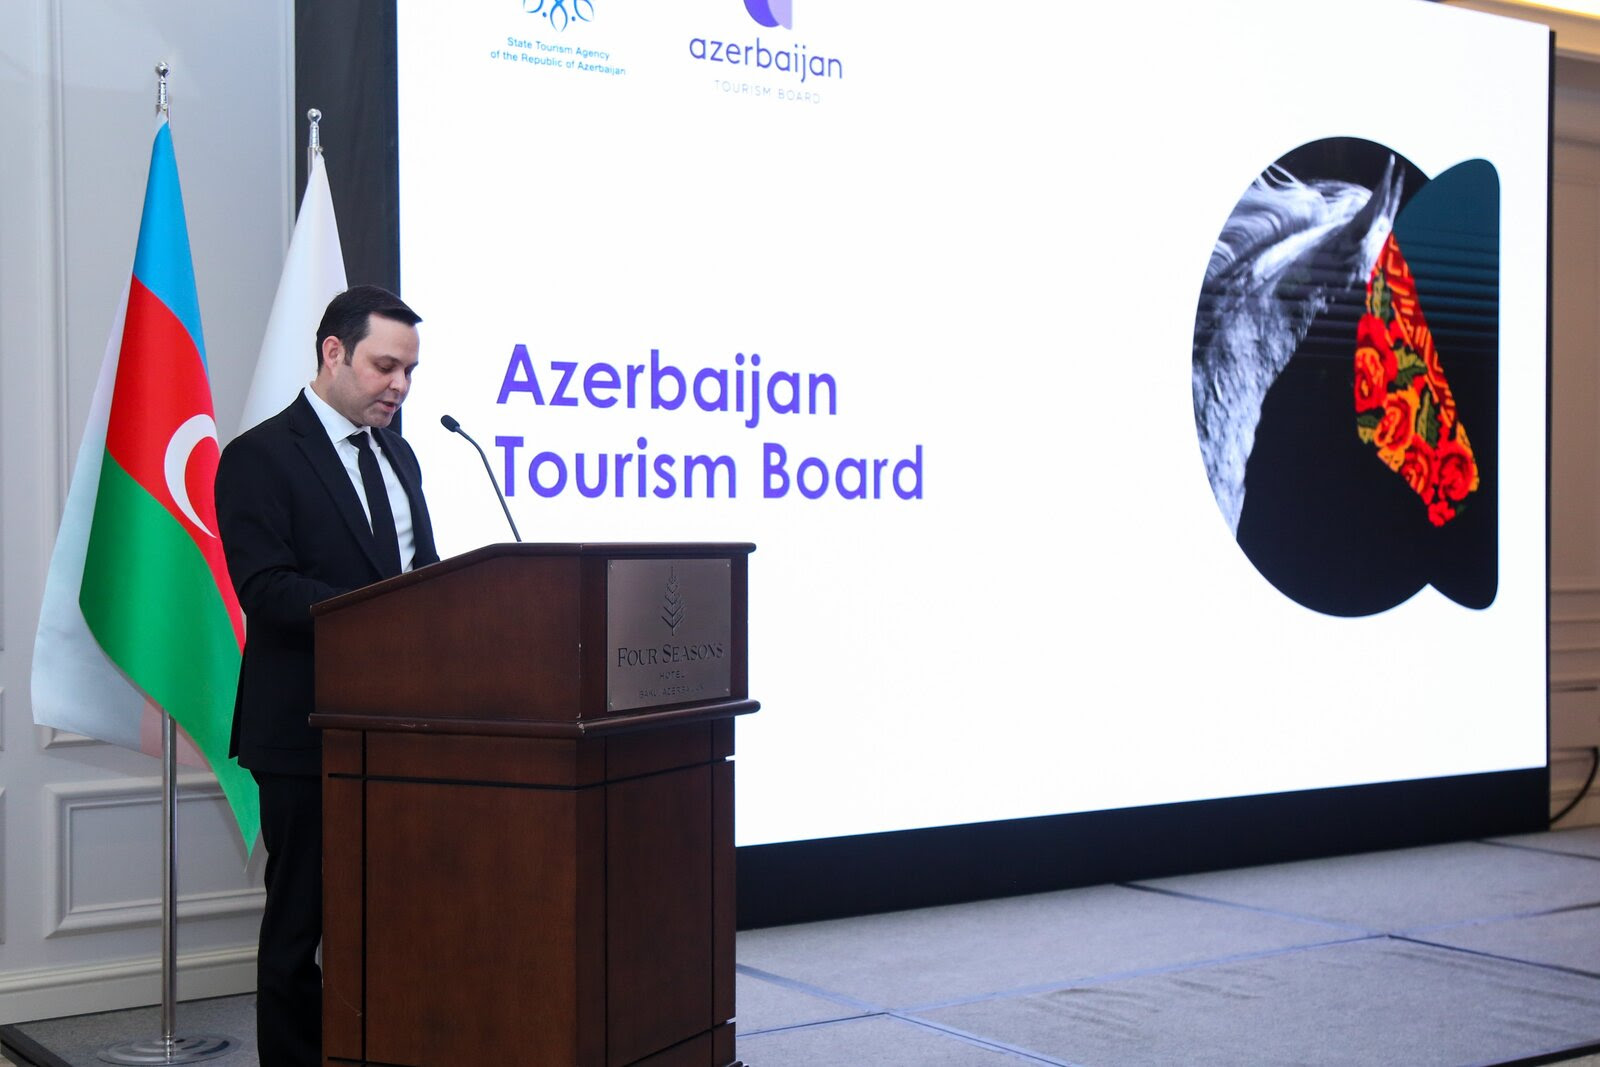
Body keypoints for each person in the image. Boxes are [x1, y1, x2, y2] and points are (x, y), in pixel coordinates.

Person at [215, 285, 439, 1066]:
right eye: (385, 366)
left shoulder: (399, 454)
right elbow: (266, 588)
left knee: (388, 920)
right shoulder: (259, 456)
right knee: (299, 927)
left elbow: (422, 574)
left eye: (410, 371)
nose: (399, 386)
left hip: (400, 726)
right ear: (333, 351)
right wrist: (384, 613)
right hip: (304, 730)